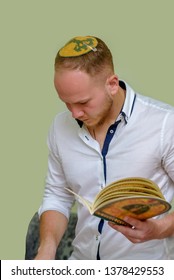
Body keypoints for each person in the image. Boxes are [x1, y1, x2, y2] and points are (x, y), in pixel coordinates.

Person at [35, 35, 174, 260]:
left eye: (83, 102)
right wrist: (46, 250)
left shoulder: (165, 124)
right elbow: (57, 196)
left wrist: (160, 229)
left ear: (111, 84)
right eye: (66, 103)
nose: (74, 114)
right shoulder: (60, 127)